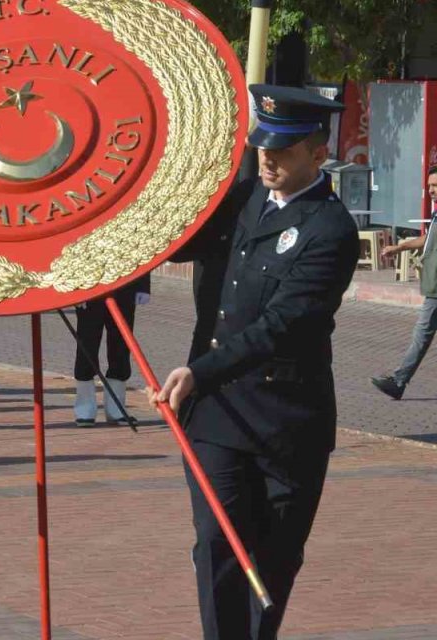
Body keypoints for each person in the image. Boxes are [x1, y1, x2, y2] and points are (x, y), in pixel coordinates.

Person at [154, 85, 358, 640]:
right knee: (217, 545)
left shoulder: (331, 230)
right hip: (216, 416)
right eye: (262, 147)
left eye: (284, 150)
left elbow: (284, 325)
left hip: (285, 421)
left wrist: (201, 370)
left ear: (317, 153)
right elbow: (176, 243)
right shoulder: (243, 196)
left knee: (271, 561)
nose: (268, 159)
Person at [370, 165, 437, 400]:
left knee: (422, 335)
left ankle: (398, 382)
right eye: (429, 185)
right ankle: (398, 382)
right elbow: (426, 240)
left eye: (436, 185)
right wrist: (400, 247)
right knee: (422, 335)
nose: (431, 190)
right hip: (433, 287)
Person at [72, 275, 150, 426]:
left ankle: (116, 408)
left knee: (121, 347)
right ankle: (84, 409)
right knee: (87, 346)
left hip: (124, 285)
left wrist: (142, 286)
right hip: (90, 284)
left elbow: (140, 251)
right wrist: (74, 287)